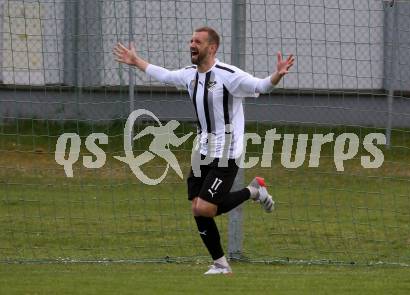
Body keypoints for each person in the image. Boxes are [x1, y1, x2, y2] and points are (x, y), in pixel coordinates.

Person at [114, 26, 295, 275]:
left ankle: (253, 191)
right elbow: (164, 75)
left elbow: (261, 86)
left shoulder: (229, 75)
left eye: (197, 41)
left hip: (226, 152)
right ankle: (220, 264)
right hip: (202, 150)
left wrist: (276, 75)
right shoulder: (190, 75)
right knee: (197, 206)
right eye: (191, 40)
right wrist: (136, 61)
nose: (192, 44)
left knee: (205, 208)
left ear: (212, 48)